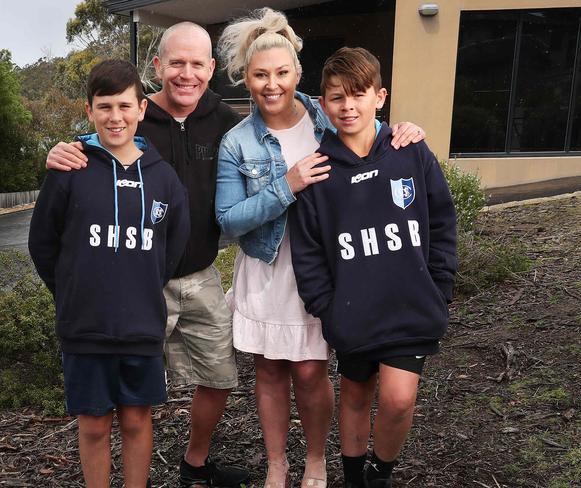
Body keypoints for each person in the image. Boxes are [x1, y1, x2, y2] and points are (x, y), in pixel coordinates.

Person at [214, 9, 427, 488]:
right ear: (246, 79)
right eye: (260, 75)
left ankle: (315, 459)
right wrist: (285, 186)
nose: (272, 85)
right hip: (268, 266)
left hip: (331, 264)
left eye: (282, 73)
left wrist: (405, 131)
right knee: (268, 372)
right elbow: (227, 220)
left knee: (311, 373)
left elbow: (367, 125)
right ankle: (276, 464)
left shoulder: (324, 115)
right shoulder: (237, 142)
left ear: (297, 75)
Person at [44, 23, 249, 488]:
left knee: (211, 380)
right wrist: (59, 150)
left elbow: (284, 123)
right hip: (117, 294)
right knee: (108, 412)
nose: (186, 73)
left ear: (212, 69)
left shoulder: (226, 122)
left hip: (190, 275)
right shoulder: (126, 119)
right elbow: (95, 145)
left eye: (198, 63)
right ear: (157, 68)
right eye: (176, 62)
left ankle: (195, 464)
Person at [289, 47, 457, 488]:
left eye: (358, 95)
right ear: (323, 105)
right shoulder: (317, 174)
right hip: (354, 315)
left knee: (399, 400)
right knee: (356, 396)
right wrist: (330, 310)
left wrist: (440, 286)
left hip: (410, 308)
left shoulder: (409, 152)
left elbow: (442, 221)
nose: (348, 107)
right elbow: (307, 254)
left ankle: (380, 473)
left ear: (379, 97)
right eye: (337, 98)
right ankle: (353, 478)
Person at [29, 59, 191, 488]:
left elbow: (172, 248)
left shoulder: (164, 179)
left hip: (141, 326)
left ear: (141, 109)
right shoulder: (70, 171)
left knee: (138, 420)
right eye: (104, 107)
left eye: (124, 106)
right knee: (94, 425)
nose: (114, 117)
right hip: (85, 327)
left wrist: (140, 286)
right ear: (89, 110)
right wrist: (71, 292)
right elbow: (42, 244)